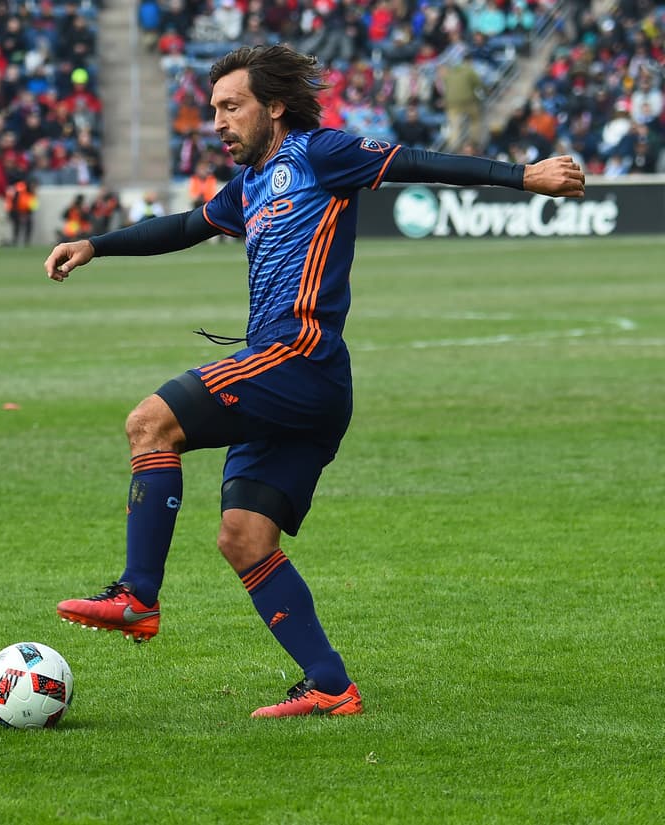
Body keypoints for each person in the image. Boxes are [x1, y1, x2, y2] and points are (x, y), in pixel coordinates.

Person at [42, 44, 583, 718]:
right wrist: (97, 244)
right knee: (243, 537)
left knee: (150, 422)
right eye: (213, 110)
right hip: (301, 390)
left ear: (273, 107)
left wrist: (522, 174)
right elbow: (182, 225)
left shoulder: (321, 153)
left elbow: (413, 160)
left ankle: (137, 595)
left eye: (231, 106)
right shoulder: (247, 186)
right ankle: (330, 683)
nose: (218, 121)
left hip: (298, 360)